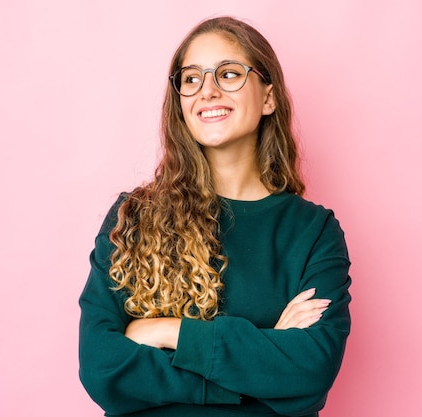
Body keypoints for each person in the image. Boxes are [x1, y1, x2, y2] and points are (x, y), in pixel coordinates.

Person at [78, 16, 352, 417]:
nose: (207, 90)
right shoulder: (134, 217)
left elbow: (311, 371)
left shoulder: (313, 231)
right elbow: (103, 366)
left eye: (228, 74)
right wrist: (265, 350)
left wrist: (167, 331)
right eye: (191, 79)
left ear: (268, 98)